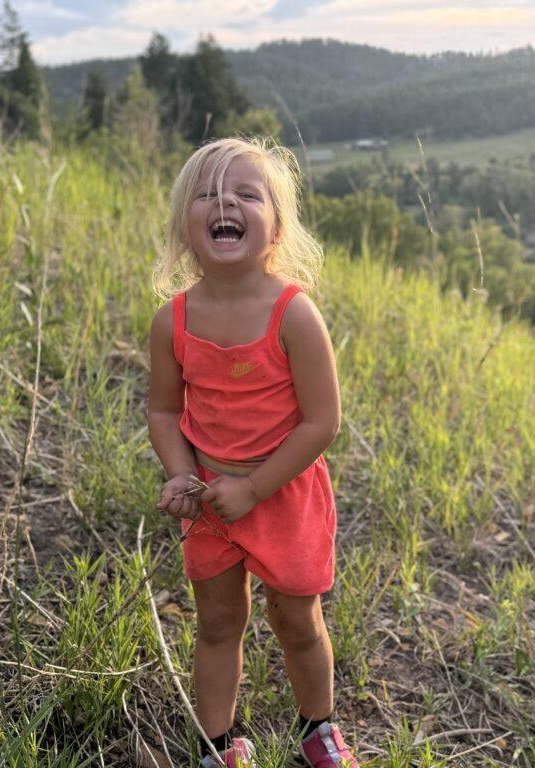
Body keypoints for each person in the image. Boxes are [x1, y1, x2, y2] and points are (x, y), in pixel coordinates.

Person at [146, 136, 359, 768]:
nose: (224, 203)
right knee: (216, 623)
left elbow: (323, 422)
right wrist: (183, 475)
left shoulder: (294, 315)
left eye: (245, 193)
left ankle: (318, 731)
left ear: (276, 227)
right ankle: (217, 746)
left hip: (283, 493)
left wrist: (255, 488)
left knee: (296, 620)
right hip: (211, 500)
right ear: (186, 226)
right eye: (207, 195)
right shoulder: (174, 320)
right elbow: (163, 411)